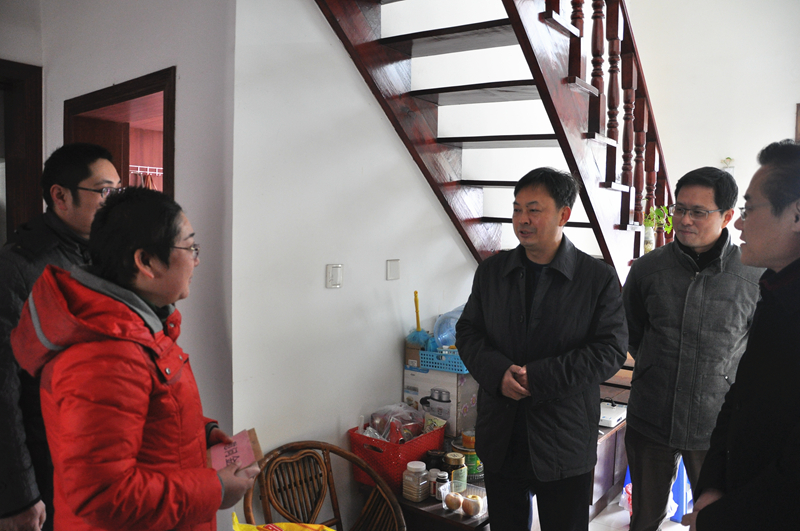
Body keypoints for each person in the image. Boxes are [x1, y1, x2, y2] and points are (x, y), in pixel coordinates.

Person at [10, 187, 257, 530]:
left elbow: (144, 413)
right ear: (146, 262)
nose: (196, 260)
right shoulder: (107, 354)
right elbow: (103, 496)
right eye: (190, 248)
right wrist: (215, 489)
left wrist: (200, 432)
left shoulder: (136, 326)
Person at [456, 167, 628, 531]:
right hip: (501, 434)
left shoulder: (596, 278)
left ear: (564, 215)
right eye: (517, 209)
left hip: (563, 437)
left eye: (534, 210)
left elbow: (610, 349)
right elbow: (468, 331)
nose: (522, 219)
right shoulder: (492, 271)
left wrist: (539, 378)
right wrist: (497, 373)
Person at [622, 167, 762, 530]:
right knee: (645, 518)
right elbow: (631, 331)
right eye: (680, 209)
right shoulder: (648, 269)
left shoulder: (753, 274)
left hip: (715, 426)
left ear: (727, 216)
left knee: (714, 520)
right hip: (651, 418)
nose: (684, 220)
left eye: (698, 212)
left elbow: (758, 348)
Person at [0, 143, 120, 531]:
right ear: (60, 196)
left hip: (101, 457)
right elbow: (4, 390)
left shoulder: (108, 258)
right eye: (104, 191)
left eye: (118, 191)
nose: (114, 203)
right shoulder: (19, 265)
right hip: (47, 461)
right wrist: (19, 495)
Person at [681, 140, 800, 531]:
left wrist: (718, 518)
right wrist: (713, 486)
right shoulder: (775, 289)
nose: (739, 224)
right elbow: (742, 396)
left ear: (797, 214)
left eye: (749, 210)